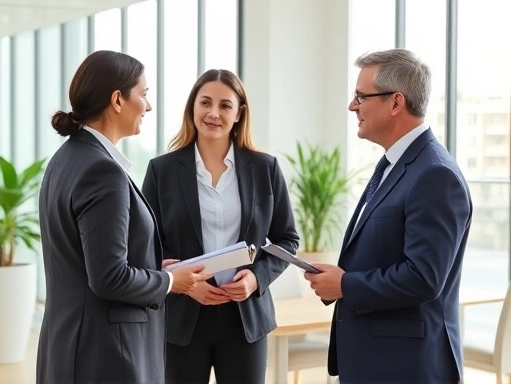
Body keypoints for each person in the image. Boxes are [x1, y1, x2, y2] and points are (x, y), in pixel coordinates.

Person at [36, 50, 211, 384]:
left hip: (69, 345)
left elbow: (87, 260)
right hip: (106, 355)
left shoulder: (65, 159)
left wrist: (152, 268)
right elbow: (109, 278)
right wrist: (173, 281)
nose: (148, 106)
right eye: (143, 95)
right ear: (117, 100)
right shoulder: (103, 171)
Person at [304, 49, 472, 384]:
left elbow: (424, 277)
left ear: (396, 103)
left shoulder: (434, 174)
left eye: (360, 97)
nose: (353, 106)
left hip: (406, 366)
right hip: (378, 360)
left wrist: (345, 284)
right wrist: (338, 281)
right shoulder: (395, 164)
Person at [142, 68, 299, 384]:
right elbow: (146, 243)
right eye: (205, 103)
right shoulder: (163, 170)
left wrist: (255, 279)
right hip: (183, 316)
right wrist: (185, 283)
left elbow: (287, 239)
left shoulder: (265, 168)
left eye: (225, 105)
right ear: (193, 108)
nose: (213, 113)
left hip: (244, 318)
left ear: (239, 113)